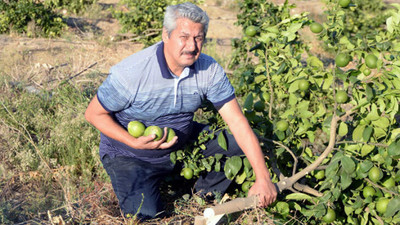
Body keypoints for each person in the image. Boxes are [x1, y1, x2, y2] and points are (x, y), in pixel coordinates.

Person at [84, 2, 277, 221]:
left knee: (234, 144)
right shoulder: (133, 73)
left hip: (180, 146)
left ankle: (202, 199)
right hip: (130, 155)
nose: (192, 46)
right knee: (147, 215)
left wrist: (263, 178)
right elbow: (93, 114)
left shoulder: (209, 69)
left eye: (198, 38)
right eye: (183, 37)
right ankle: (159, 186)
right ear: (166, 35)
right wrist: (132, 141)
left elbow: (238, 123)